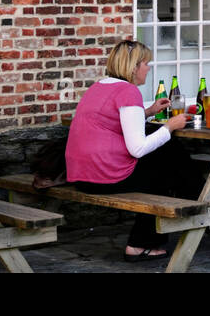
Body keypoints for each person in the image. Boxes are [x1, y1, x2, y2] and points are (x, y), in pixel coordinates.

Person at [65, 40, 203, 261]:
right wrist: (170, 126)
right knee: (167, 161)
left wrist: (147, 111)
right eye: (146, 63)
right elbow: (138, 149)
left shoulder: (98, 87)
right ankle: (146, 240)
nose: (149, 68)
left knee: (166, 157)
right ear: (134, 66)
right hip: (105, 177)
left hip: (81, 176)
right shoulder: (128, 91)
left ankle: (195, 204)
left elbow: (113, 122)